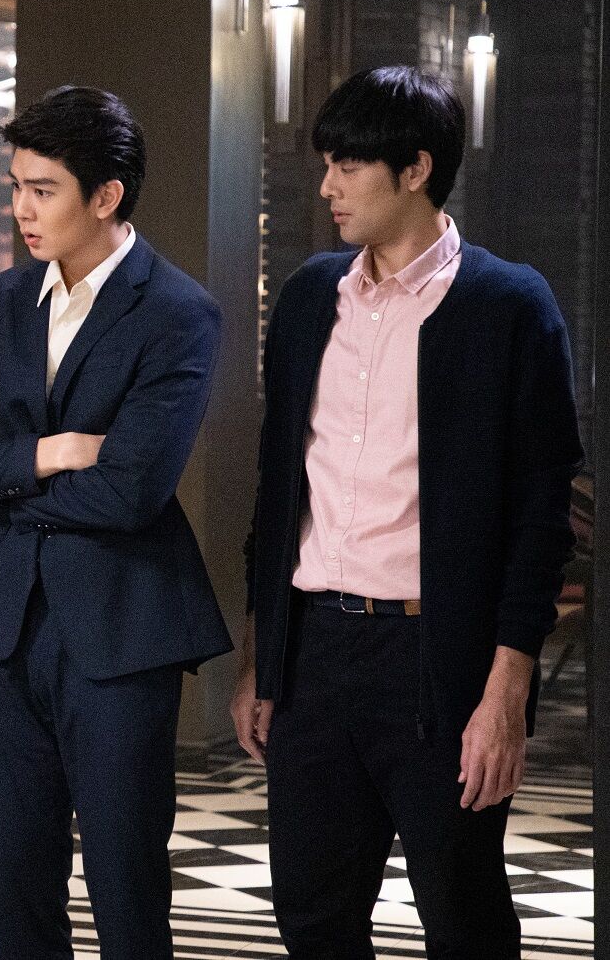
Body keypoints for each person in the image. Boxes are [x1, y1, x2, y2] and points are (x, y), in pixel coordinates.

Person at [233, 65, 583, 957]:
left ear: (416, 169)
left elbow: (541, 518)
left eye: (346, 166)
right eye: (325, 164)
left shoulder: (509, 304)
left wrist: (505, 692)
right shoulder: (308, 297)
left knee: (462, 918)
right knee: (312, 918)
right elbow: (278, 488)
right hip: (312, 653)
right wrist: (261, 657)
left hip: (438, 658)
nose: (326, 186)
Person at [0, 85, 231, 958]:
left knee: (126, 890)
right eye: (14, 186)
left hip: (120, 631)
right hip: (1, 630)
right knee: (14, 889)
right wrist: (49, 453)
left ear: (105, 196)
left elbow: (130, 491)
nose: (19, 208)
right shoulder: (1, 302)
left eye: (41, 189)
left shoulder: (177, 312)